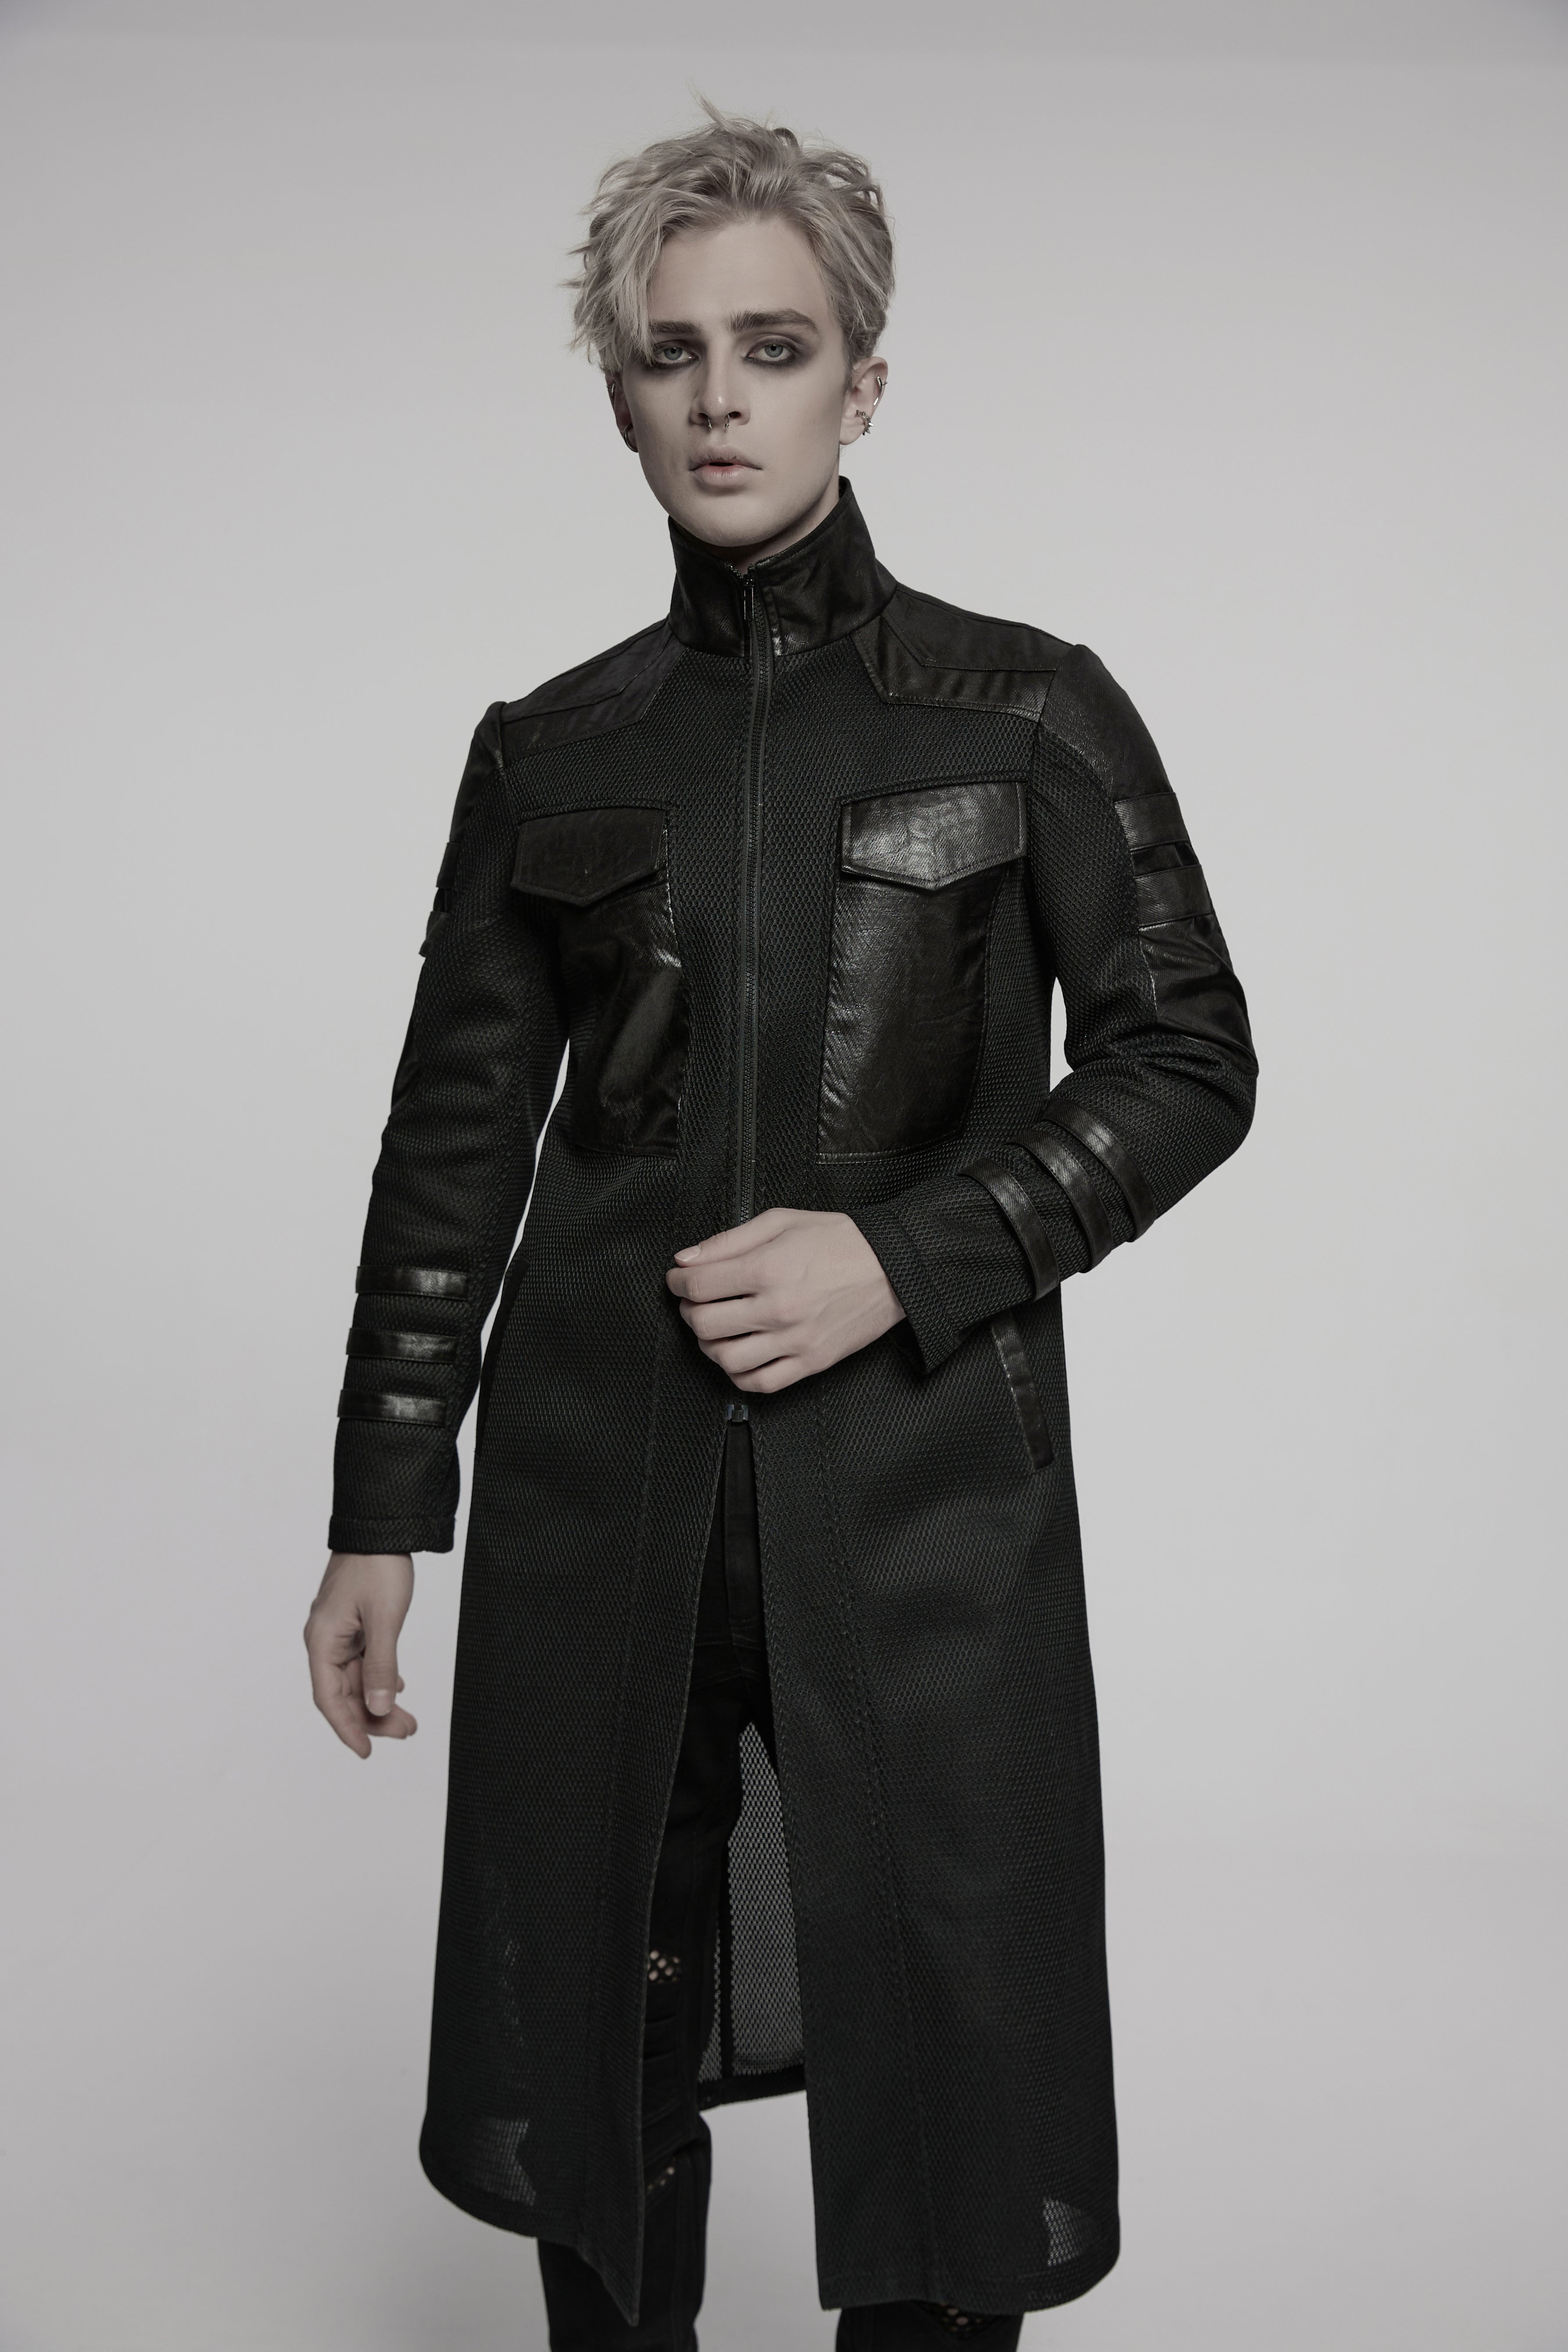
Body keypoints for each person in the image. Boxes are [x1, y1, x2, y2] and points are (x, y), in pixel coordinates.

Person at [304, 103, 1256, 2352]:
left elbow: (1188, 1059)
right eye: (671, 354)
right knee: (600, 2035)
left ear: (864, 381)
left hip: (920, 1512)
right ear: (619, 396)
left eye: (775, 345)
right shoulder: (549, 751)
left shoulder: (1026, 709)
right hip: (599, 1507)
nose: (720, 398)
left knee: (948, 2053)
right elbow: (452, 1146)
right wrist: (382, 1507)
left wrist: (901, 1258)